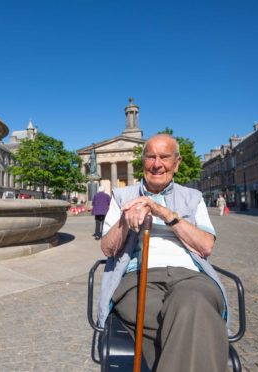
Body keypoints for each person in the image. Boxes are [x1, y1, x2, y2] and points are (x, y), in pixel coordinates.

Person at [98, 134, 228, 371]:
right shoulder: (121, 198)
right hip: (137, 280)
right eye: (150, 157)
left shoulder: (193, 198)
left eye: (164, 157)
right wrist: (125, 221)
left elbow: (206, 246)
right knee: (197, 318)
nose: (157, 164)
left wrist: (164, 212)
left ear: (177, 163)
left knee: (193, 301)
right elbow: (108, 248)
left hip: (190, 276)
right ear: (143, 162)